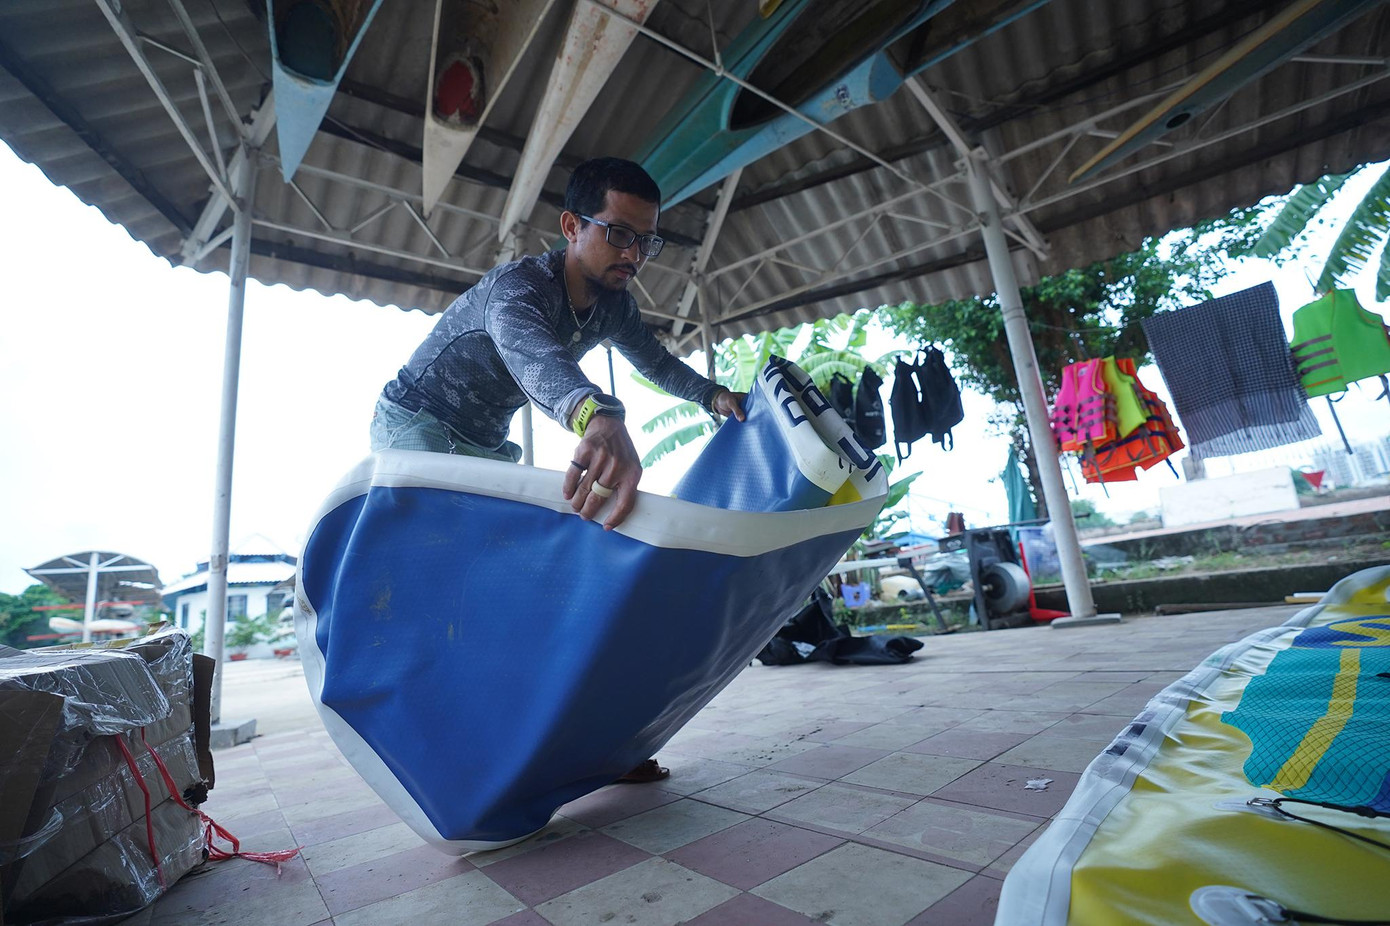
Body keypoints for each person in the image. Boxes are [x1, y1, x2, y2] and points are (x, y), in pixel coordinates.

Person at [372, 157, 747, 783]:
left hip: (485, 444)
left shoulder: (613, 305)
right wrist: (595, 418)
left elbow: (654, 361)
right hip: (416, 426)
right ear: (572, 226)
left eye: (647, 240)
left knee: (538, 583)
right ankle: (450, 750)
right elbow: (535, 357)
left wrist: (712, 396)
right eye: (619, 233)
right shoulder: (516, 291)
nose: (634, 254)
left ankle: (590, 743)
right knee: (461, 599)